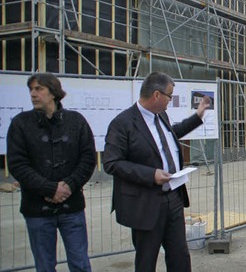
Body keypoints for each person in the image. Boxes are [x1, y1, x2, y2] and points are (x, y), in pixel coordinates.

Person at [103, 72, 210, 272]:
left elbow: (172, 134)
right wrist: (150, 175)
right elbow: (111, 163)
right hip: (146, 203)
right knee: (146, 259)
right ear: (156, 95)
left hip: (173, 198)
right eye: (169, 96)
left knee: (179, 254)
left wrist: (198, 116)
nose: (171, 100)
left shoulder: (161, 115)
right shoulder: (123, 123)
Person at [7, 73, 96, 272]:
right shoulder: (20, 124)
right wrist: (49, 188)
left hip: (71, 207)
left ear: (53, 92)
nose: (33, 94)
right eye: (31, 89)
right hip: (37, 210)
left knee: (80, 264)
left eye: (39, 89)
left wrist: (69, 186)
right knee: (45, 266)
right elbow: (17, 164)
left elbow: (88, 158)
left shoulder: (76, 122)